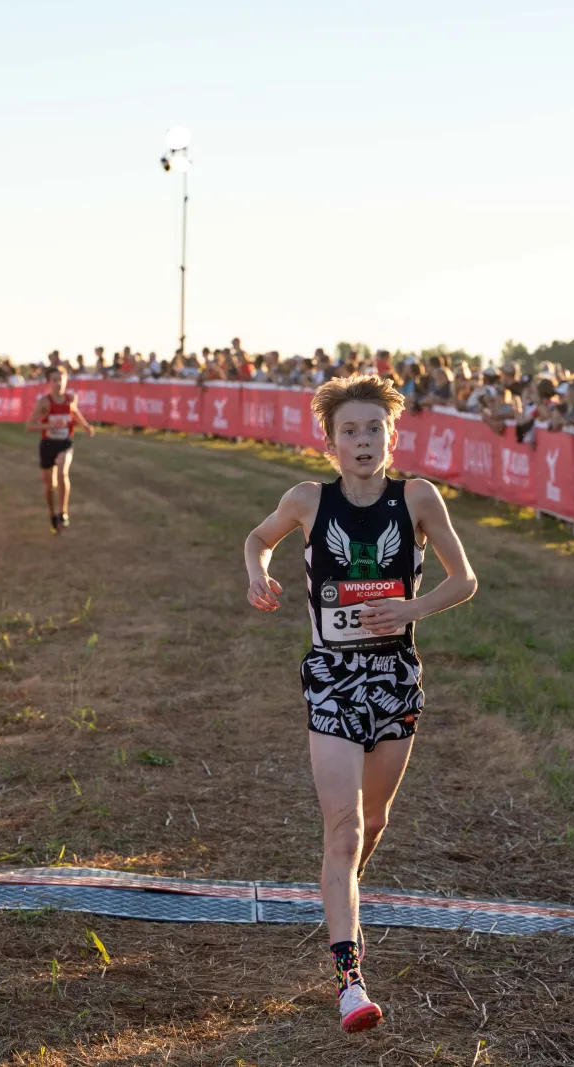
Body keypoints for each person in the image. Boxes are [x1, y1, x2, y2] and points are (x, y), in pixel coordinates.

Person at [243, 375, 477, 1035]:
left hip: (395, 675)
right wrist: (258, 572)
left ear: (391, 437)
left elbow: (466, 579)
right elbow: (256, 539)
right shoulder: (307, 500)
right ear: (331, 442)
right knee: (342, 828)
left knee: (373, 823)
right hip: (332, 678)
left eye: (374, 429)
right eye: (350, 430)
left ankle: (340, 891)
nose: (363, 440)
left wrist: (411, 607)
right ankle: (350, 978)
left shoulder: (420, 499)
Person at [24, 364, 95, 532]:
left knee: (63, 470)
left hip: (64, 442)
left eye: (61, 379)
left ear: (66, 380)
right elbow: (29, 426)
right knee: (49, 485)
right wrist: (50, 424)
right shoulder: (44, 403)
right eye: (54, 380)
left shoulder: (70, 399)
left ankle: (63, 512)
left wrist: (85, 426)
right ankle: (52, 515)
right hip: (48, 444)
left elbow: (74, 411)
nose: (58, 383)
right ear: (48, 383)